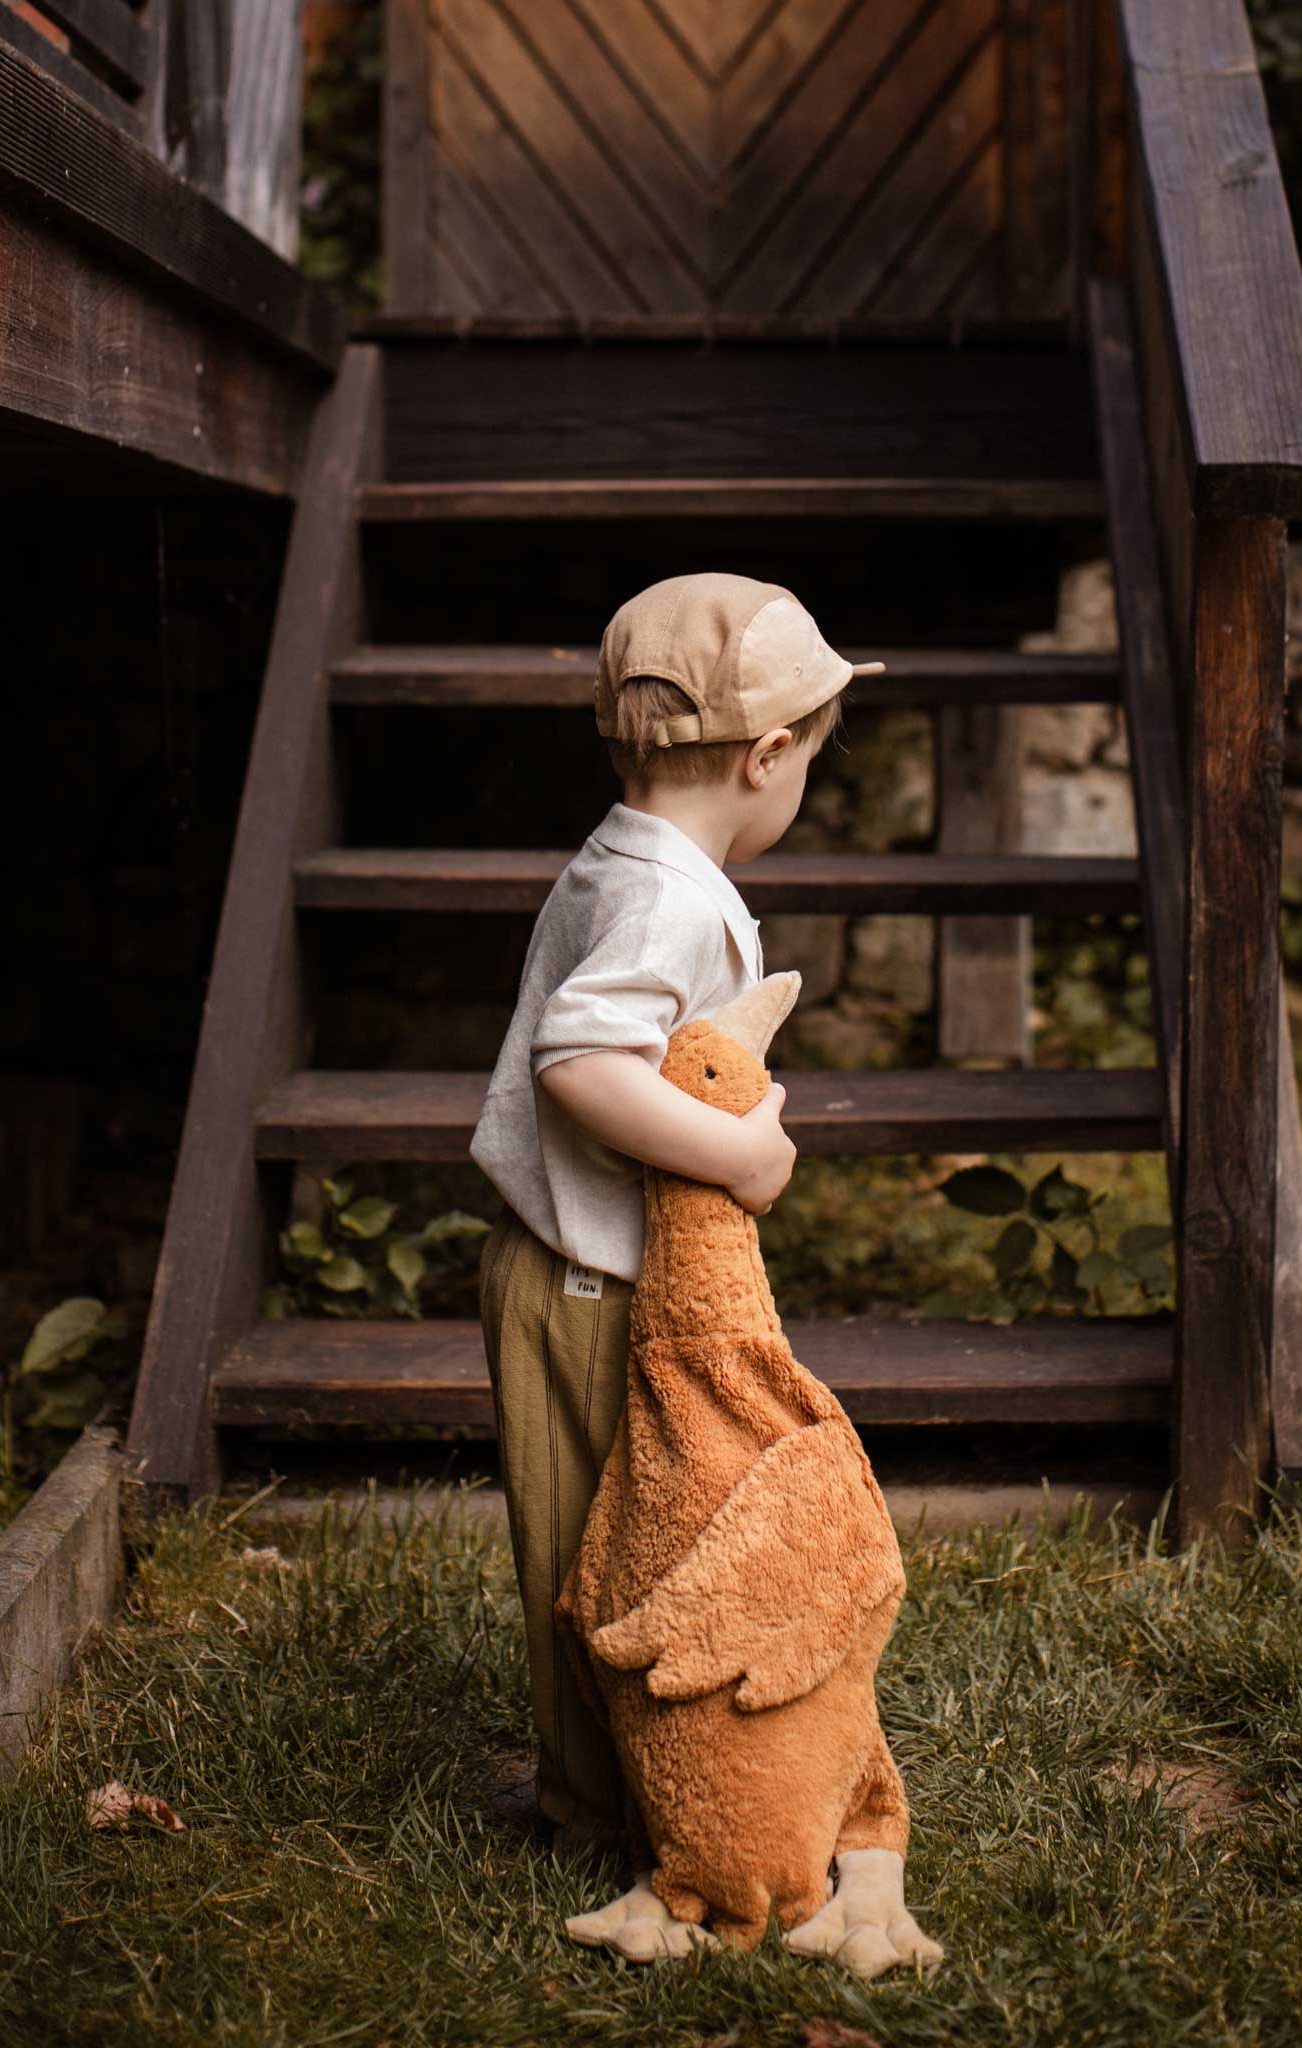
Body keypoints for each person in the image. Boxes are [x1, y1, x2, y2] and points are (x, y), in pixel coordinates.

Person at [470, 570, 884, 1866]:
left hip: (601, 1274)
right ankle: (595, 1811)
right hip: (582, 1288)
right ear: (767, 757)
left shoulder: (637, 860)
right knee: (592, 1542)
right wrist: (742, 1156)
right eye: (810, 756)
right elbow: (580, 1062)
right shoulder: (664, 896)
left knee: (645, 1531)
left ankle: (655, 1773)